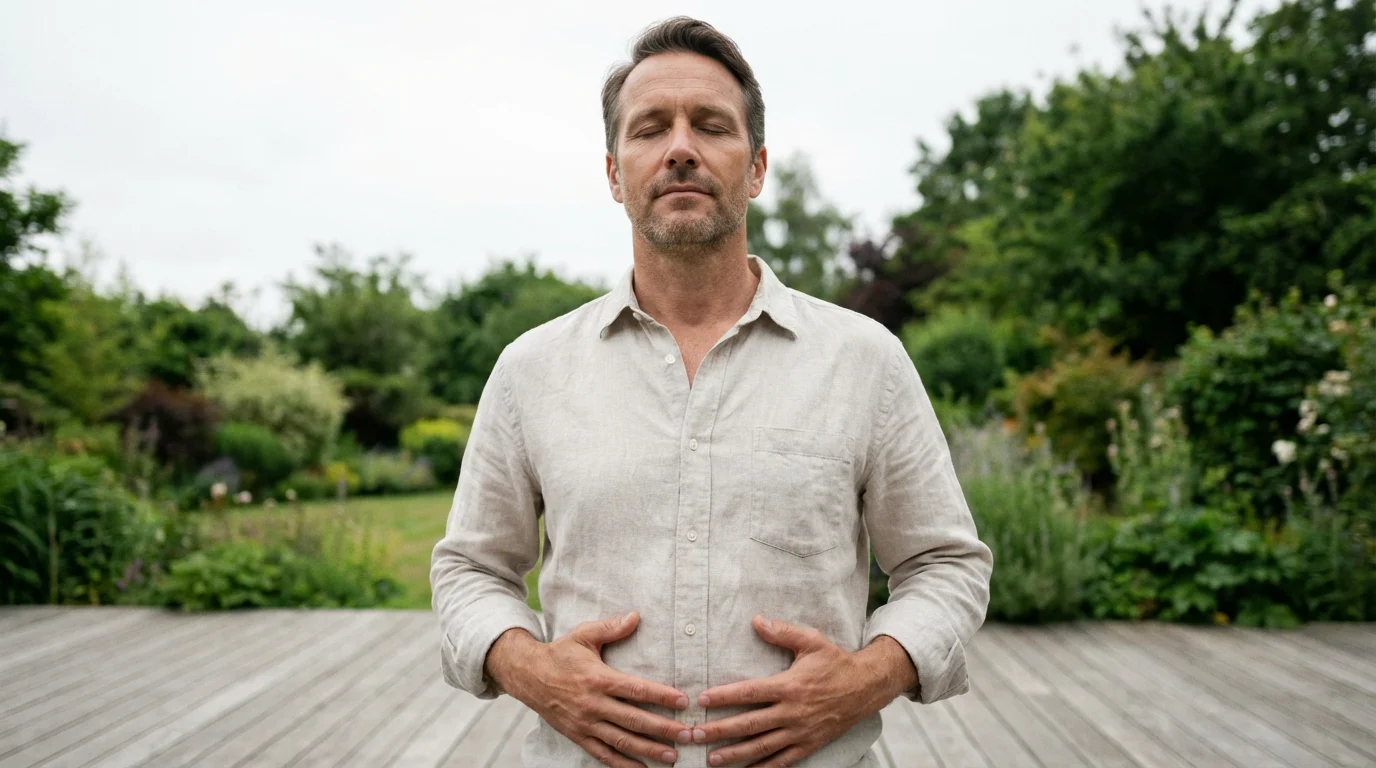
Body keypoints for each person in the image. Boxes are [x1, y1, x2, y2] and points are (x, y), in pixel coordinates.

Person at [430, 16, 992, 768]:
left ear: (756, 167)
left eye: (712, 126)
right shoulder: (531, 370)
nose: (681, 148)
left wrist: (866, 677)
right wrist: (528, 668)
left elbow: (945, 564)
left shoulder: (865, 362)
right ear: (613, 173)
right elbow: (469, 568)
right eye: (650, 128)